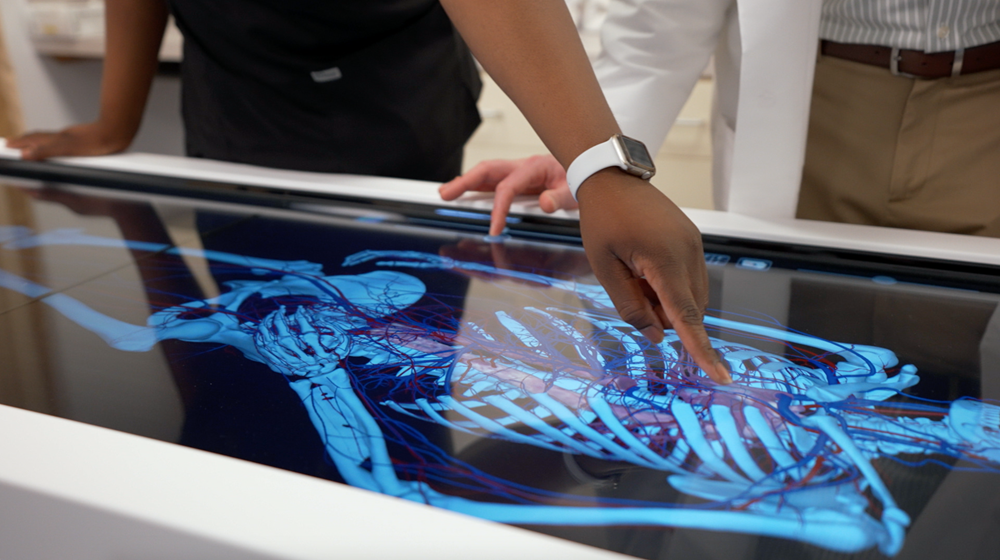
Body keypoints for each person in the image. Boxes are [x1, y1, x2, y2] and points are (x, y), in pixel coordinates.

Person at [441, 0, 1000, 237]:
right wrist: (586, 154)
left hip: (985, 107)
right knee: (798, 349)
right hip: (818, 99)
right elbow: (659, 25)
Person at [7, 0, 482, 182]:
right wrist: (113, 123)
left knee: (404, 350)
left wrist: (562, 158)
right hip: (235, 96)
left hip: (398, 85)